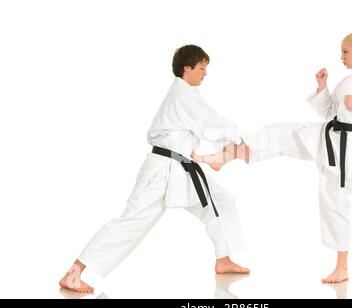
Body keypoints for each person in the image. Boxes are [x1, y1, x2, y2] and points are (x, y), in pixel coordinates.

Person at [193, 32, 352, 283]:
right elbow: (329, 112)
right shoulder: (349, 81)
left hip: (349, 148)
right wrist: (323, 88)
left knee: (334, 203)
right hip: (329, 136)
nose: (341, 57)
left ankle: (342, 266)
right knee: (281, 133)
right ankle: (226, 156)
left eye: (344, 51)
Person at [59, 45, 250, 293]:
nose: (205, 74)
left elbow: (208, 122)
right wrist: (239, 140)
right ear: (187, 67)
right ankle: (75, 272)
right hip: (162, 171)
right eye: (202, 68)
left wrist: (230, 146)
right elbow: (211, 122)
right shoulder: (184, 95)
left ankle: (223, 258)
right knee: (131, 221)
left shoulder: (186, 94)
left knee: (222, 201)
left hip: (182, 169)